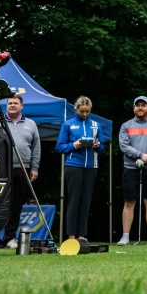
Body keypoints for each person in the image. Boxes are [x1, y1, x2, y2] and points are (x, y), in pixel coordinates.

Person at [55, 96, 106, 240]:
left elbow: (102, 147)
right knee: (74, 200)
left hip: (92, 166)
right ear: (76, 109)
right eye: (82, 111)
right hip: (73, 165)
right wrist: (74, 145)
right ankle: (71, 235)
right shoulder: (68, 124)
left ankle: (82, 235)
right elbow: (59, 147)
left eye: (87, 111)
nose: (84, 114)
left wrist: (97, 146)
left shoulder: (96, 125)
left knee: (86, 200)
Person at [117, 96, 147, 246]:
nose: (140, 108)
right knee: (129, 201)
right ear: (134, 108)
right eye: (137, 105)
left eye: (143, 105)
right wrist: (139, 155)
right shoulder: (126, 125)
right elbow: (124, 146)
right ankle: (125, 237)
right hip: (131, 167)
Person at [1, 95, 41, 249]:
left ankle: (9, 238)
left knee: (16, 205)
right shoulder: (0, 122)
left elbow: (36, 148)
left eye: (15, 103)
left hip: (23, 169)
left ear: (21, 106)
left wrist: (35, 168)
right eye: (9, 103)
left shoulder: (31, 124)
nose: (12, 105)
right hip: (1, 169)